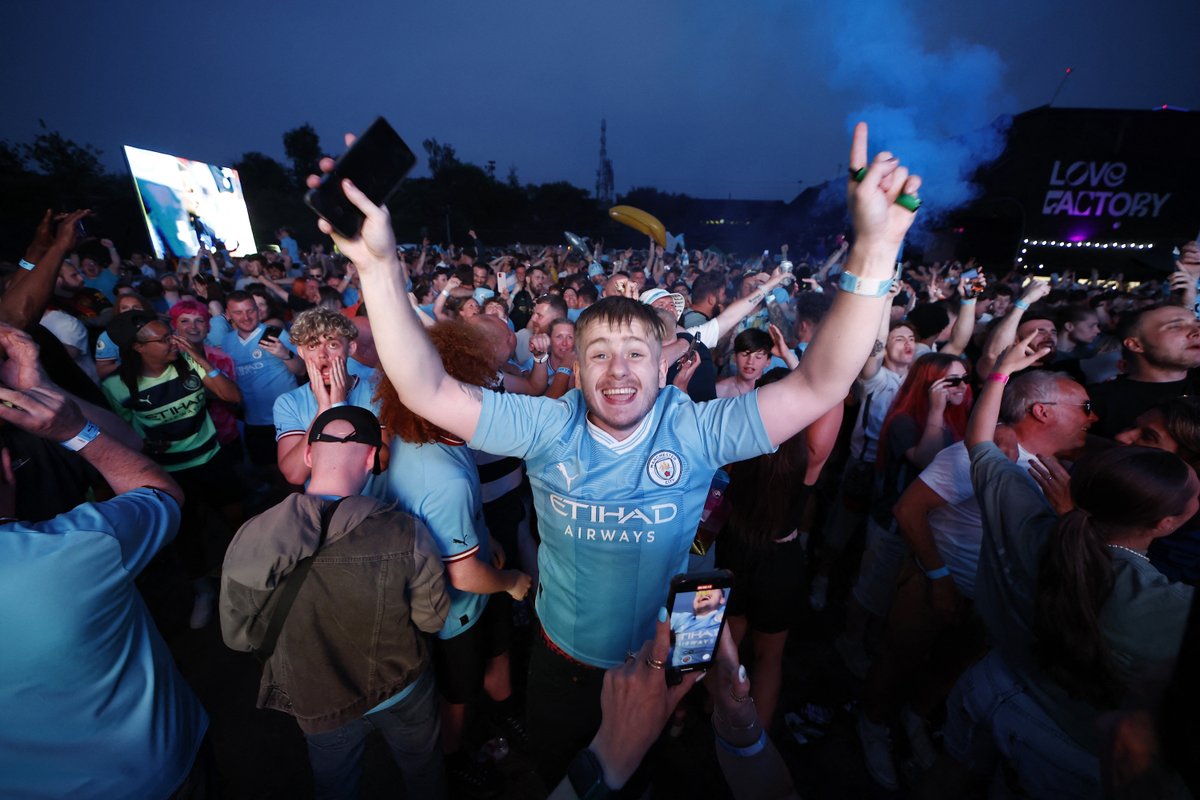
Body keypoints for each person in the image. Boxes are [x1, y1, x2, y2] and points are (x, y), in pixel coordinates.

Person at [311, 120, 923, 782]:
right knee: (558, 774)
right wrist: (378, 266)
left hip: (651, 665)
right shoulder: (548, 426)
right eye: (599, 354)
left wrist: (877, 246)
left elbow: (821, 381)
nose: (619, 371)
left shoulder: (694, 431)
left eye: (637, 354)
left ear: (664, 369)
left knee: (647, 778)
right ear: (576, 368)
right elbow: (425, 387)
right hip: (560, 664)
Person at [939, 335, 1196, 799]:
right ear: (1167, 521)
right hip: (1073, 744)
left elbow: (978, 441)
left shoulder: (1034, 517)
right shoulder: (1157, 601)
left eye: (1145, 440)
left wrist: (1000, 372)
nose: (1112, 430)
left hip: (992, 683)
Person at [0, 325, 208, 799]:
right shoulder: (74, 548)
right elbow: (155, 489)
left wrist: (42, 392)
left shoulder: (27, 423)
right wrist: (75, 430)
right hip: (157, 772)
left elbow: (128, 440)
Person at [220, 406, 450, 800]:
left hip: (318, 701)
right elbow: (431, 621)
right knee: (423, 770)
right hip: (402, 688)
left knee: (336, 784)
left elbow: (238, 638)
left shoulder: (253, 536)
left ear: (309, 456)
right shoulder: (408, 533)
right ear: (370, 458)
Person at [373, 320, 533, 793]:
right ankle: (455, 761)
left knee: (498, 655)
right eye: (476, 388)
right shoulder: (444, 478)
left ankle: (505, 722)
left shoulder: (420, 434)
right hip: (455, 613)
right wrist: (513, 582)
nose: (484, 399)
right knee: (457, 696)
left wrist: (490, 543)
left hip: (476, 583)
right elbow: (463, 576)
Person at [102, 309, 244, 628]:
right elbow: (123, 432)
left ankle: (251, 572)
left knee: (236, 516)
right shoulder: (118, 386)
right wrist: (145, 445)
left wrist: (199, 358)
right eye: (163, 339)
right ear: (137, 348)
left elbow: (232, 396)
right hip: (171, 474)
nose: (172, 342)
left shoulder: (187, 362)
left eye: (170, 335)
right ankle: (203, 592)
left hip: (211, 458)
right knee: (187, 535)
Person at [838, 352, 973, 679]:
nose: (963, 387)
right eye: (953, 381)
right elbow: (925, 460)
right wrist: (936, 412)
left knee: (896, 594)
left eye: (965, 379)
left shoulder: (961, 416)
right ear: (930, 385)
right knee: (874, 587)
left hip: (930, 526)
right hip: (893, 522)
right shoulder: (904, 419)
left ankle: (873, 641)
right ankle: (849, 642)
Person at [273, 307, 379, 486]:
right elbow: (294, 475)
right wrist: (324, 410)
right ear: (301, 352)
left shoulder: (377, 394)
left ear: (351, 348)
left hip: (372, 506)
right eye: (312, 346)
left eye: (332, 345)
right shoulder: (288, 403)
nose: (322, 355)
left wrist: (338, 405)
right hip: (323, 509)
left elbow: (379, 464)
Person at [217, 290, 304, 476]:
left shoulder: (276, 335)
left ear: (258, 310)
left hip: (287, 418)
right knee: (266, 469)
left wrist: (286, 355)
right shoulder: (226, 342)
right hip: (254, 420)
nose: (246, 317)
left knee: (295, 471)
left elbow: (301, 370)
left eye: (250, 310)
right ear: (228, 314)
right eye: (238, 312)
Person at [1088, 304, 1200, 438]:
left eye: (1198, 324)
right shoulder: (1098, 403)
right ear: (1136, 345)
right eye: (1175, 326)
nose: (1196, 331)